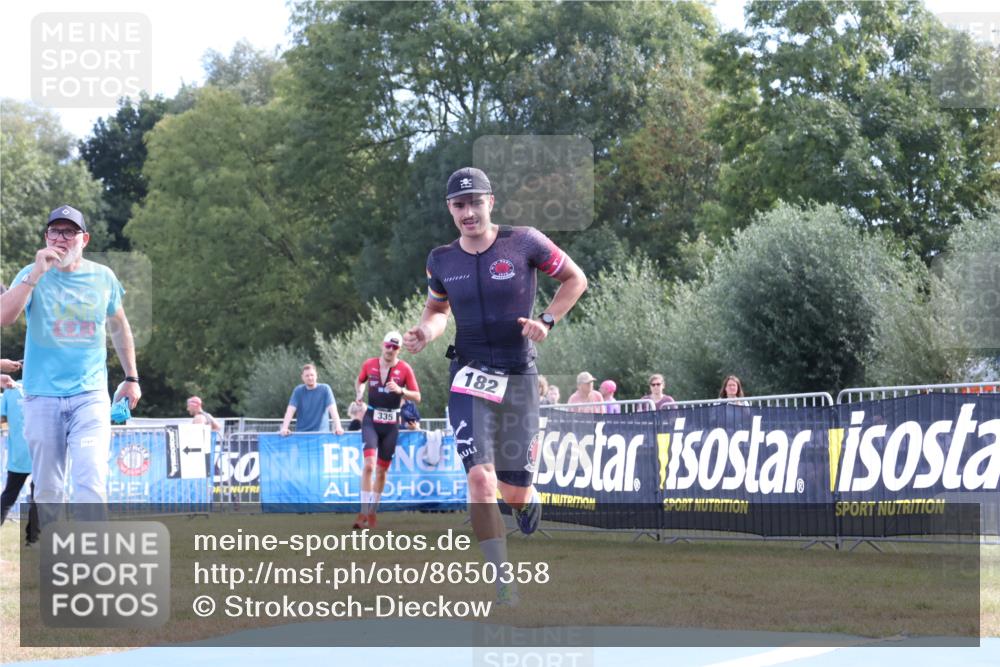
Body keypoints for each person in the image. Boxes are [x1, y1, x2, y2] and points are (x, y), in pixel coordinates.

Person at [402, 166, 587, 605]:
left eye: (475, 202)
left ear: (492, 202)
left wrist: (546, 320)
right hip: (468, 375)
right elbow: (436, 311)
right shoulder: (441, 259)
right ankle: (504, 581)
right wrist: (424, 333)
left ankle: (527, 500)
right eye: (459, 205)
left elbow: (574, 279)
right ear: (450, 209)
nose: (468, 212)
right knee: (481, 481)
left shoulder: (524, 241)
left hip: (518, 375)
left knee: (513, 491)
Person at [0, 205, 141, 514]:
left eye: (69, 232)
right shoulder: (29, 273)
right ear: (46, 236)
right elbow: (4, 317)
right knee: (48, 487)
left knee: (90, 478)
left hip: (89, 396)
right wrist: (36, 274)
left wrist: (132, 378)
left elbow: (119, 327)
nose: (61, 239)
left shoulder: (103, 277)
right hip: (41, 397)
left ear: (84, 239)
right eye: (55, 231)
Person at [351, 331, 421, 529]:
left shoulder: (405, 369)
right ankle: (363, 512)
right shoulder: (369, 364)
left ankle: (372, 512)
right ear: (382, 345)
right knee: (369, 466)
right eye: (388, 345)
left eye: (395, 347)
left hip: (391, 424)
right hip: (371, 419)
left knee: (382, 471)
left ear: (399, 350)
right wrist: (359, 393)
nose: (390, 350)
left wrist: (401, 391)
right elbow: (360, 380)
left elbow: (417, 396)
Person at [0, 375, 39, 545]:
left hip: (18, 454)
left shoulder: (10, 390)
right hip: (40, 451)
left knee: (9, 495)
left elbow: (2, 418)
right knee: (37, 497)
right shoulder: (42, 387)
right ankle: (32, 539)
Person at [279, 364, 344, 435]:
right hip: (302, 435)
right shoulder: (298, 391)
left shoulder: (325, 389)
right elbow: (290, 410)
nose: (310, 378)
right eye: (307, 376)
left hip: (322, 435)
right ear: (302, 377)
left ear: (316, 375)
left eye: (312, 375)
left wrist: (338, 427)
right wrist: (284, 427)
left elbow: (333, 409)